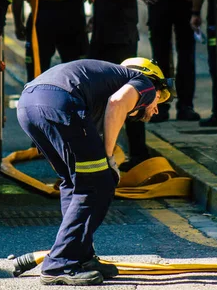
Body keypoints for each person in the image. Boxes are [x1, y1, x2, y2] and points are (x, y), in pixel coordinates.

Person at [17, 58, 174, 285]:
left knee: (75, 183)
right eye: (160, 98)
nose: (156, 108)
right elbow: (118, 102)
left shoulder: (100, 84)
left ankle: (81, 257)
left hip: (28, 104)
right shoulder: (144, 83)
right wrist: (108, 159)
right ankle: (59, 263)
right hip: (58, 102)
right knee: (99, 183)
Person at [37, 0, 151, 170]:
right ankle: (99, 154)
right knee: (97, 99)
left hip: (121, 42)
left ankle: (139, 156)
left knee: (129, 98)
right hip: (99, 42)